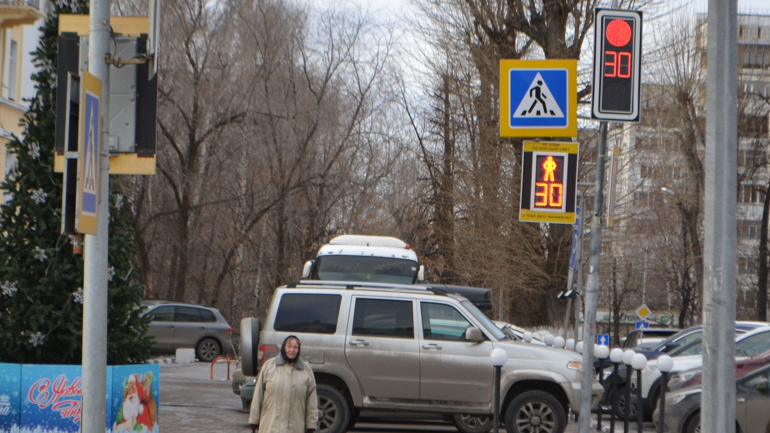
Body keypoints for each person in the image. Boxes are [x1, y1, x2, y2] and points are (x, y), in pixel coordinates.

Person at [249, 335, 318, 433]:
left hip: (295, 428)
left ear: (299, 350)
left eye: (295, 347)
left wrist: (311, 424)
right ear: (284, 347)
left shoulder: (306, 371)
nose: (292, 350)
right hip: (270, 426)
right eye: (289, 346)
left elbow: (312, 401)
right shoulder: (269, 366)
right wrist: (254, 420)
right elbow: (258, 395)